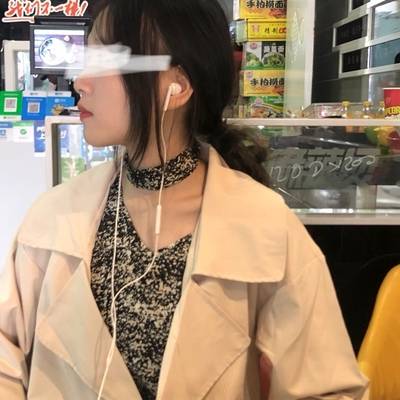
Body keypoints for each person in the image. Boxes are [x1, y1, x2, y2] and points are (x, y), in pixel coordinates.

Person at [0, 0, 368, 399]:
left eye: (106, 60)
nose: (80, 81)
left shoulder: (265, 224)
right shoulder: (54, 215)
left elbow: (327, 388)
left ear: (177, 86)